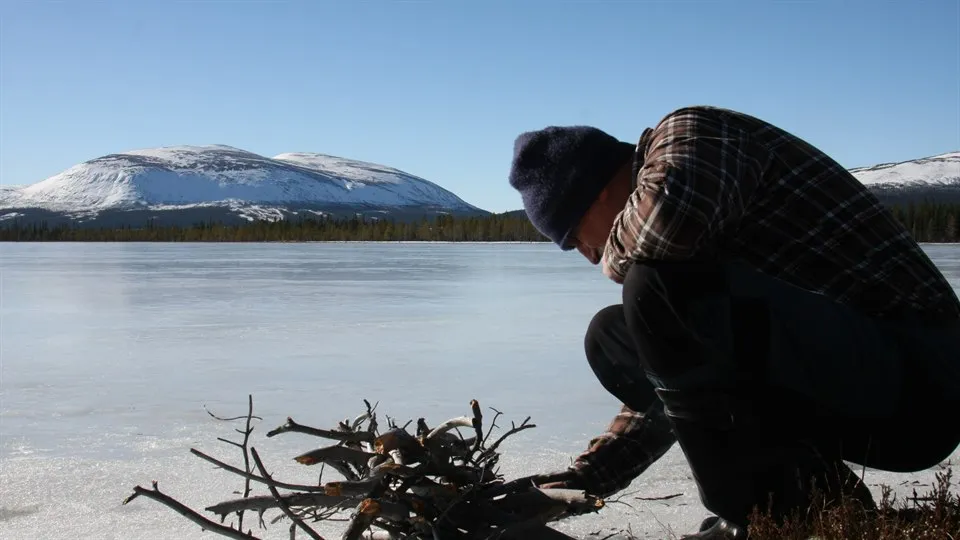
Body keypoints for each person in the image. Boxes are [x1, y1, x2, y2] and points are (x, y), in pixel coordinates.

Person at [506, 105, 960, 539]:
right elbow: (679, 384)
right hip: (863, 380)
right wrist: (585, 478)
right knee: (614, 335)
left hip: (923, 379)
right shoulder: (688, 239)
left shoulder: (692, 133)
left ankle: (745, 517)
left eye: (573, 238)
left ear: (596, 192)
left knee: (651, 288)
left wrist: (615, 260)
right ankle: (806, 508)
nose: (588, 255)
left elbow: (669, 216)